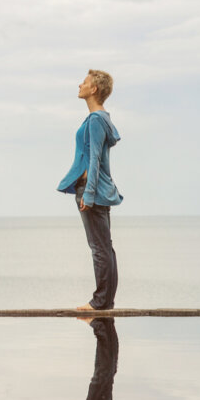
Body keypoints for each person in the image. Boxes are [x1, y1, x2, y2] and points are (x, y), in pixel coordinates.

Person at [57, 69, 124, 311]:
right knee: (104, 246)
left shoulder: (96, 120)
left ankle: (99, 302)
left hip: (91, 189)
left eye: (84, 82)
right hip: (95, 188)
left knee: (99, 248)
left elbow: (95, 158)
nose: (80, 85)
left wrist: (88, 193)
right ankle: (106, 301)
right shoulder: (101, 118)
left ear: (93, 89)